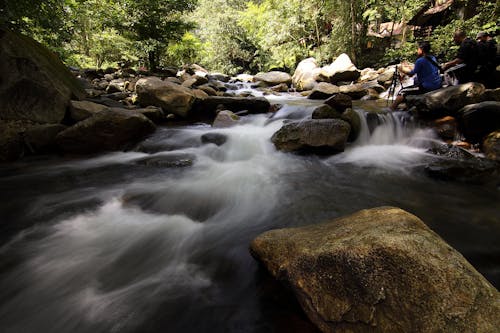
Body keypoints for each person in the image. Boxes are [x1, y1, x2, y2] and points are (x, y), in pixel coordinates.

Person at [390, 41, 442, 111]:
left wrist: (401, 69)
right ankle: (406, 107)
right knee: (416, 81)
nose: (417, 50)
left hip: (428, 87)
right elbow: (420, 69)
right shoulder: (432, 58)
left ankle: (391, 109)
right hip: (437, 84)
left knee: (402, 92)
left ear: (421, 49)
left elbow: (411, 74)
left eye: (418, 49)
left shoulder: (420, 60)